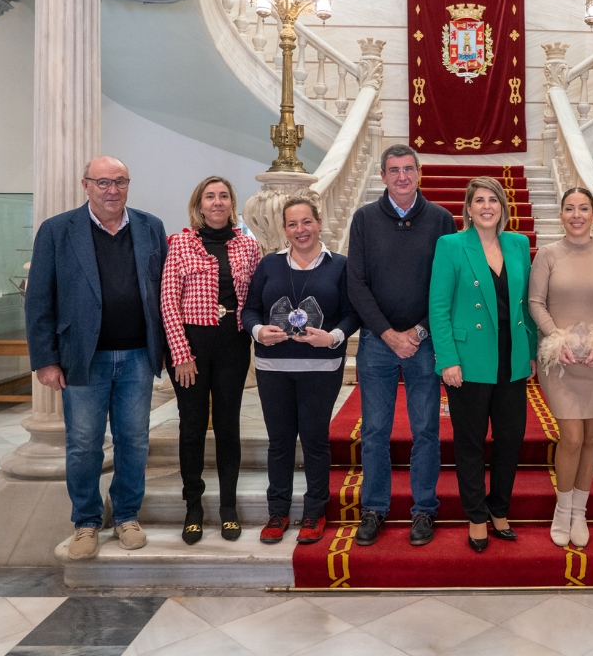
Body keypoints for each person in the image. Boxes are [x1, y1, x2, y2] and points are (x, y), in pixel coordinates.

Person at [24, 156, 168, 560]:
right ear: (86, 185)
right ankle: (86, 521)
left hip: (139, 354)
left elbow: (163, 292)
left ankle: (125, 514)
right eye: (103, 182)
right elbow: (38, 300)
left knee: (134, 440)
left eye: (120, 181)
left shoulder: (150, 227)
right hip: (83, 358)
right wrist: (45, 360)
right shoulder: (57, 230)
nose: (112, 190)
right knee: (84, 443)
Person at [347, 144, 457, 547]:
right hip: (377, 343)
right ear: (383, 175)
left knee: (426, 429)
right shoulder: (363, 220)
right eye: (393, 170)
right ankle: (374, 508)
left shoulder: (441, 220)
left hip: (424, 344)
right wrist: (388, 334)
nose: (402, 177)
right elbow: (355, 284)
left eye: (408, 169)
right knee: (375, 430)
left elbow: (448, 285)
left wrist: (419, 332)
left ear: (419, 173)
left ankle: (424, 509)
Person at [242, 196, 360, 545]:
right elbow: (249, 310)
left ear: (319, 223)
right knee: (279, 442)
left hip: (321, 368)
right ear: (284, 229)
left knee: (315, 441)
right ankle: (277, 512)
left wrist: (334, 337)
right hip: (272, 367)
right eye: (292, 224)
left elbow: (352, 313)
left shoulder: (339, 265)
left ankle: (314, 512)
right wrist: (258, 331)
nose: (300, 230)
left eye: (306, 222)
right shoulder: (269, 265)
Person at [429, 177, 538, 553]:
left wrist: (533, 350)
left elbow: (527, 304)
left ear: (503, 208)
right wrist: (447, 360)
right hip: (469, 358)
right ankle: (476, 514)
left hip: (512, 356)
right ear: (469, 208)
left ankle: (499, 508)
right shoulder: (451, 245)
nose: (487, 206)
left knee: (510, 438)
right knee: (471, 442)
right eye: (479, 200)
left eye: (494, 200)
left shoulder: (518, 244)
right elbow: (438, 308)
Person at [160, 176, 260, 545]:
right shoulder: (181, 243)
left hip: (233, 345)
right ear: (199, 204)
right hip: (192, 346)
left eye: (223, 196)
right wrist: (181, 354)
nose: (217, 202)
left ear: (232, 203)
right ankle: (194, 508)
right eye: (210, 196)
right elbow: (168, 301)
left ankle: (229, 508)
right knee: (192, 427)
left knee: (228, 426)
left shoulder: (249, 246)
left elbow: (255, 299)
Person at [529, 187, 593, 548]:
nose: (576, 214)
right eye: (569, 208)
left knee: (590, 438)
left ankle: (580, 512)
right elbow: (536, 302)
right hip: (561, 361)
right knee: (570, 437)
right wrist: (557, 338)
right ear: (561, 215)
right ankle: (562, 510)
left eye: (583, 208)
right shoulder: (548, 254)